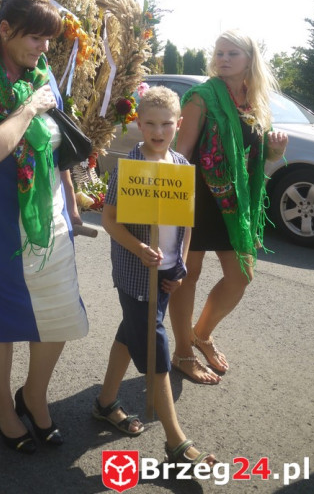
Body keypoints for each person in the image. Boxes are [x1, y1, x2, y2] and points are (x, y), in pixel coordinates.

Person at [0, 0, 88, 454]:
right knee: (3, 318)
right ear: (5, 30)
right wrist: (28, 106)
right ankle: (2, 406)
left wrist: (69, 198)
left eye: (49, 40)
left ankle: (33, 395)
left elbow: (57, 142)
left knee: (61, 314)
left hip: (49, 215)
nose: (44, 49)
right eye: (36, 39)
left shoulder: (43, 71)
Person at [95, 86, 216, 471]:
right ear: (138, 123)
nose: (158, 130)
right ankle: (176, 442)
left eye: (166, 124)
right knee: (154, 347)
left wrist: (179, 266)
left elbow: (186, 224)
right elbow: (110, 221)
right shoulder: (128, 166)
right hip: (135, 273)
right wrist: (138, 248)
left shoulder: (181, 166)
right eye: (150, 123)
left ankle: (104, 402)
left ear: (179, 125)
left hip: (166, 276)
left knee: (131, 333)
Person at [169, 30, 288, 383]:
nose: (222, 59)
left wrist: (275, 154)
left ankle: (200, 334)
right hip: (198, 199)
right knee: (187, 278)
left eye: (231, 53)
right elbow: (182, 155)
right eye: (219, 53)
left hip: (235, 204)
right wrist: (173, 210)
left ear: (249, 59)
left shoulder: (254, 101)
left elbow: (252, 157)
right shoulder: (201, 97)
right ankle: (182, 352)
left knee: (241, 275)